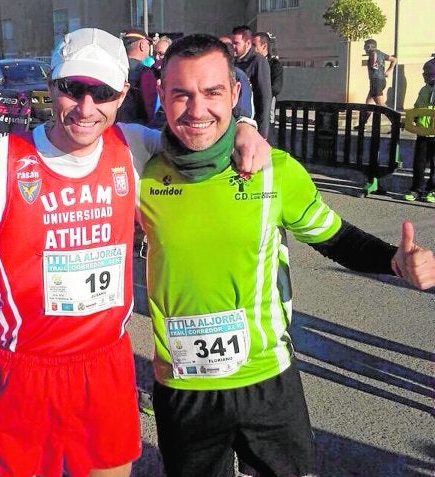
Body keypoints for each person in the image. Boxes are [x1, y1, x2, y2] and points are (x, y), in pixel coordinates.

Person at [0, 28, 269, 477]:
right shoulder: (2, 159)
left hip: (105, 364)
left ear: (122, 93)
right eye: (73, 89)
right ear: (52, 86)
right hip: (25, 369)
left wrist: (245, 128)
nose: (87, 108)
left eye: (103, 92)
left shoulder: (133, 147)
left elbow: (200, 135)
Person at [137, 34, 435, 477]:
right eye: (181, 93)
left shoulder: (274, 169)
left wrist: (396, 261)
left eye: (213, 92)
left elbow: (337, 239)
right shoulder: (139, 163)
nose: (197, 110)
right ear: (161, 93)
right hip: (183, 386)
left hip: (267, 382)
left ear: (236, 93)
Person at [403, 58, 435, 203]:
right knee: (419, 163)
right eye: (424, 71)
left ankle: (433, 190)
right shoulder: (424, 89)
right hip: (422, 132)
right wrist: (413, 119)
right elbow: (417, 106)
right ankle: (416, 189)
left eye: (427, 71)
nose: (424, 74)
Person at [232, 25, 272, 138]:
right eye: (232, 43)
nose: (233, 47)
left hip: (251, 123)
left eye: (237, 43)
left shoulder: (258, 62)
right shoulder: (233, 61)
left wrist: (263, 131)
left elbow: (265, 96)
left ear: (248, 44)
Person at [116, 28, 153, 124]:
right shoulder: (146, 73)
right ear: (142, 45)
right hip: (138, 128)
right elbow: (150, 107)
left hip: (113, 128)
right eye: (148, 44)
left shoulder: (113, 68)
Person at [357, 39, 397, 129]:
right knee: (368, 104)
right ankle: (362, 124)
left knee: (381, 106)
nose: (364, 48)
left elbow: (374, 56)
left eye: (365, 46)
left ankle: (396, 123)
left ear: (369, 46)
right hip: (379, 81)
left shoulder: (373, 53)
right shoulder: (381, 53)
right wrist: (388, 71)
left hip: (377, 82)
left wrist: (374, 63)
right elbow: (394, 59)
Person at [252, 31, 283, 144]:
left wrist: (258, 89)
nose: (251, 49)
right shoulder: (251, 63)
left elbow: (276, 88)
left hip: (265, 115)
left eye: (254, 45)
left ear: (264, 46)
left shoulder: (274, 65)